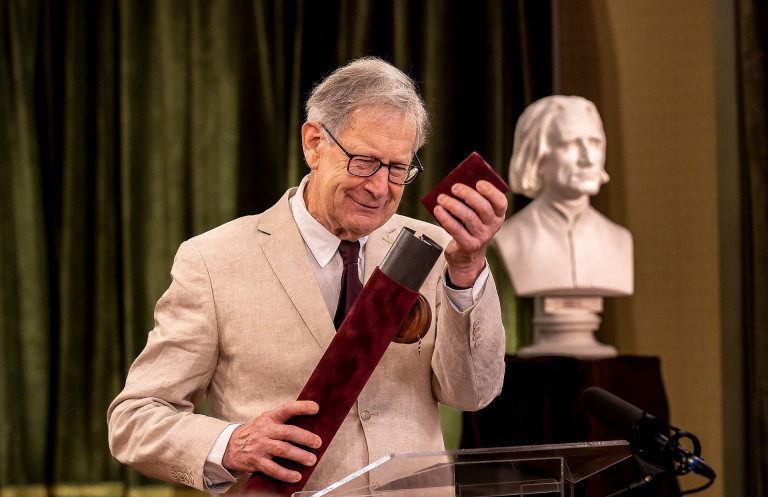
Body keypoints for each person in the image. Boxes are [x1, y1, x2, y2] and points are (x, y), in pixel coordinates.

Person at [107, 57, 508, 496]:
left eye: (398, 169)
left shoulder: (438, 251)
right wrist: (231, 444)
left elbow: (473, 396)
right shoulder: (212, 259)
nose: (379, 187)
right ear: (314, 144)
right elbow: (135, 419)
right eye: (365, 162)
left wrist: (467, 271)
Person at [494, 95, 633, 297]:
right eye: (570, 144)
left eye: (594, 143)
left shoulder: (620, 239)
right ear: (537, 155)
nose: (588, 159)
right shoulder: (509, 239)